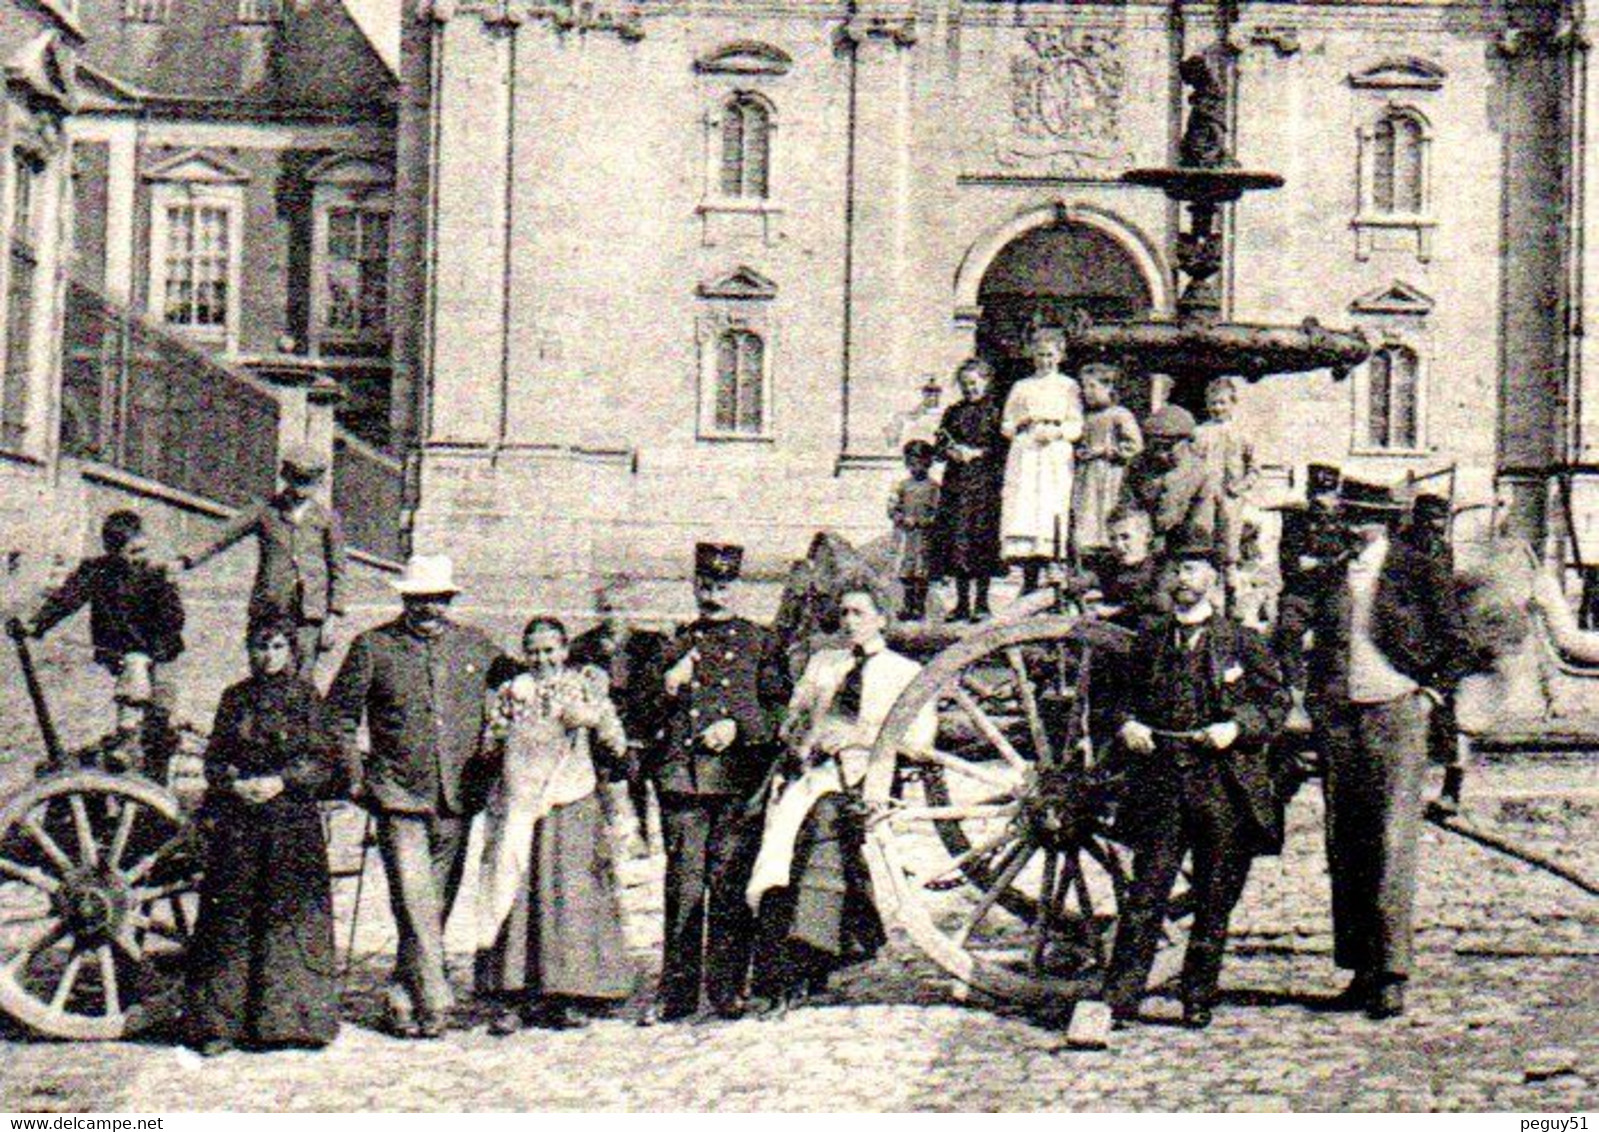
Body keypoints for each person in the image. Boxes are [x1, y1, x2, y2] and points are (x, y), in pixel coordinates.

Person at [1105, 540, 1290, 1029]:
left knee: (1213, 898)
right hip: (1162, 782)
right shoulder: (1149, 640)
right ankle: (1121, 999)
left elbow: (1275, 706)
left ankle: (1197, 996)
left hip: (1221, 785)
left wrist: (1237, 728)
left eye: (1191, 569)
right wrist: (1128, 724)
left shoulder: (1242, 642)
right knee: (1146, 895)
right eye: (1175, 570)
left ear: (1212, 576)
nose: (1181, 579)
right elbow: (1117, 700)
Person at [1307, 480, 1472, 1020]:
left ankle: (1392, 973)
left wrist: (1428, 694)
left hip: (1395, 712)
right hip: (1340, 718)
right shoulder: (1332, 575)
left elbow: (1455, 643)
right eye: (1346, 517)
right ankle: (1360, 968)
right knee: (1347, 842)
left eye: (1360, 518)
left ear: (1382, 522)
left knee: (1392, 842)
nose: (1350, 526)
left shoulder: (1416, 567)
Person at [328, 554, 509, 1039]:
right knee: (413, 899)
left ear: (449, 601)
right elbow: (338, 718)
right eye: (419, 600)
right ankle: (436, 998)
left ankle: (401, 995)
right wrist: (356, 778)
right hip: (397, 795)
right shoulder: (372, 647)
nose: (428, 609)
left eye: (437, 600)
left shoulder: (476, 646)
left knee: (434, 905)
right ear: (405, 600)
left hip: (457, 795)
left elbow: (524, 682)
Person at [745, 580, 935, 1016]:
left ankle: (798, 969)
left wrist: (859, 736)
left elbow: (921, 741)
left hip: (867, 777)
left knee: (819, 833)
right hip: (817, 773)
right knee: (776, 852)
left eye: (860, 613)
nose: (850, 621)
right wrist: (799, 739)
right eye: (845, 613)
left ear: (881, 619)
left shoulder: (904, 673)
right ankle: (783, 970)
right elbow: (794, 720)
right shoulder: (823, 664)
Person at [645, 542, 791, 1023]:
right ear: (694, 587)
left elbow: (778, 711)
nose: (714, 595)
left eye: (723, 586)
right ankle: (677, 992)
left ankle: (727, 988)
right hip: (684, 782)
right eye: (706, 585)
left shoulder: (760, 641)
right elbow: (639, 714)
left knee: (730, 886)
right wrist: (667, 685)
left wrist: (738, 728)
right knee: (683, 889)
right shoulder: (674, 642)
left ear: (737, 588)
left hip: (737, 781)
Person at [186, 620, 343, 1056]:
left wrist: (283, 781)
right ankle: (220, 1024)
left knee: (288, 917)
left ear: (290, 651)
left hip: (291, 822)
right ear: (249, 650)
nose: (268, 655)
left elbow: (324, 760)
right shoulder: (234, 698)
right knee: (231, 919)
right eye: (260, 647)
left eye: (277, 646)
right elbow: (215, 758)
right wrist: (233, 784)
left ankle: (289, 1023)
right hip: (240, 824)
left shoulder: (306, 697)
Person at [476, 617, 633, 1035]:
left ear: (564, 650)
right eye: (534, 651)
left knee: (568, 890)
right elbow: (488, 745)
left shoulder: (584, 685)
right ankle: (514, 992)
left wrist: (593, 719)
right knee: (517, 886)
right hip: (522, 800)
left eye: (550, 650)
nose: (542, 659)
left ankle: (571, 991)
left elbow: (616, 742)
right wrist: (504, 731)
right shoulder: (514, 691)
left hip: (571, 799)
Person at [18, 510, 184, 772]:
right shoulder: (97, 571)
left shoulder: (156, 575)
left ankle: (153, 771)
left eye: (143, 550)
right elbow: (67, 598)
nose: (140, 558)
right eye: (133, 552)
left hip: (161, 652)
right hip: (120, 653)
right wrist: (36, 623)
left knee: (159, 716)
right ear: (113, 551)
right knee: (134, 681)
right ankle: (127, 742)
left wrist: (169, 589)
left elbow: (174, 621)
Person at [178, 444, 347, 680]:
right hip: (269, 608)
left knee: (301, 678)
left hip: (309, 614)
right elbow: (224, 534)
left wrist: (333, 618)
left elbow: (338, 570)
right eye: (296, 481)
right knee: (264, 671)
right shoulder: (265, 510)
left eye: (308, 483)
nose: (301, 490)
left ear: (319, 483)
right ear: (285, 476)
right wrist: (186, 559)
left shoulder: (327, 519)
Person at [570, 581, 667, 857]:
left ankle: (641, 852)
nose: (613, 616)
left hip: (641, 737)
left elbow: (656, 694)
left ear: (633, 610)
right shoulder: (582, 647)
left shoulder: (651, 645)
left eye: (621, 608)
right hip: (599, 741)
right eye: (607, 609)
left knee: (637, 800)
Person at [1000, 327, 1084, 594]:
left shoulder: (1068, 386)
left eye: (1049, 355)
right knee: (1027, 507)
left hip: (1054, 453)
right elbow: (1006, 424)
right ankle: (1028, 576)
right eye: (1039, 355)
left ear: (1060, 356)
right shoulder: (1022, 386)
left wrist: (1058, 432)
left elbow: (1076, 424)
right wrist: (1020, 424)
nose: (1044, 360)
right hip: (1027, 452)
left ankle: (1054, 572)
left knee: (1051, 506)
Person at [931, 358, 1005, 623]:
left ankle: (982, 603)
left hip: (984, 485)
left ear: (986, 382)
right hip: (957, 485)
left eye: (974, 383)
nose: (969, 389)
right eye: (964, 384)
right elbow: (939, 447)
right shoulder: (952, 412)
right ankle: (962, 603)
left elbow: (1002, 449)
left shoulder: (995, 412)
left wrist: (976, 452)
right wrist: (951, 451)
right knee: (958, 542)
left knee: (981, 540)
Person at [1272, 463, 1344, 691]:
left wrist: (1318, 562)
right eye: (1318, 496)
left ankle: (1323, 690)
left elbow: (1348, 559)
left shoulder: (1346, 519)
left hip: (1334, 591)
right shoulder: (1296, 518)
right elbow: (1291, 564)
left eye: (1328, 496)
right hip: (1300, 591)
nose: (1323, 503)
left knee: (1335, 636)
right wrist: (1330, 560)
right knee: (1288, 629)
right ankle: (1294, 690)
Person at [1190, 378, 1258, 602]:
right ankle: (1209, 599)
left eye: (1222, 403)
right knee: (1205, 543)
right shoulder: (1200, 433)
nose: (1217, 408)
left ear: (1233, 403)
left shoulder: (1243, 433)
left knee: (1230, 549)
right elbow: (1191, 465)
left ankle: (1234, 598)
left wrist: (1240, 487)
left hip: (1231, 498)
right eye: (1213, 403)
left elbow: (1254, 469)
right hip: (1206, 498)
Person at [1072, 362, 1144, 557]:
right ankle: (1087, 557)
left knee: (1107, 512)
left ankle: (1110, 551)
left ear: (1109, 387)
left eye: (1093, 386)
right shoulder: (1084, 417)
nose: (1088, 392)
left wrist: (1105, 450)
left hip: (1110, 474)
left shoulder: (1119, 414)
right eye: (1084, 387)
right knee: (1085, 516)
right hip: (1086, 475)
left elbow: (1135, 445)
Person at [1129, 404, 1208, 553]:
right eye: (1155, 447)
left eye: (1168, 448)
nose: (1160, 455)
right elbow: (1128, 508)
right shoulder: (1138, 466)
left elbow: (1201, 524)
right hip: (1143, 542)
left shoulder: (1199, 473)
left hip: (1183, 546)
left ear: (1186, 443)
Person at [889, 440, 940, 622]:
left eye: (921, 462)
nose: (916, 466)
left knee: (922, 571)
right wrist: (902, 519)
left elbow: (939, 511)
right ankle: (907, 604)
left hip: (924, 536)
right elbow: (892, 508)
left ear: (928, 463)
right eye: (912, 462)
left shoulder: (934, 487)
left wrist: (925, 521)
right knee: (906, 571)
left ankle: (919, 606)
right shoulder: (902, 486)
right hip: (906, 536)